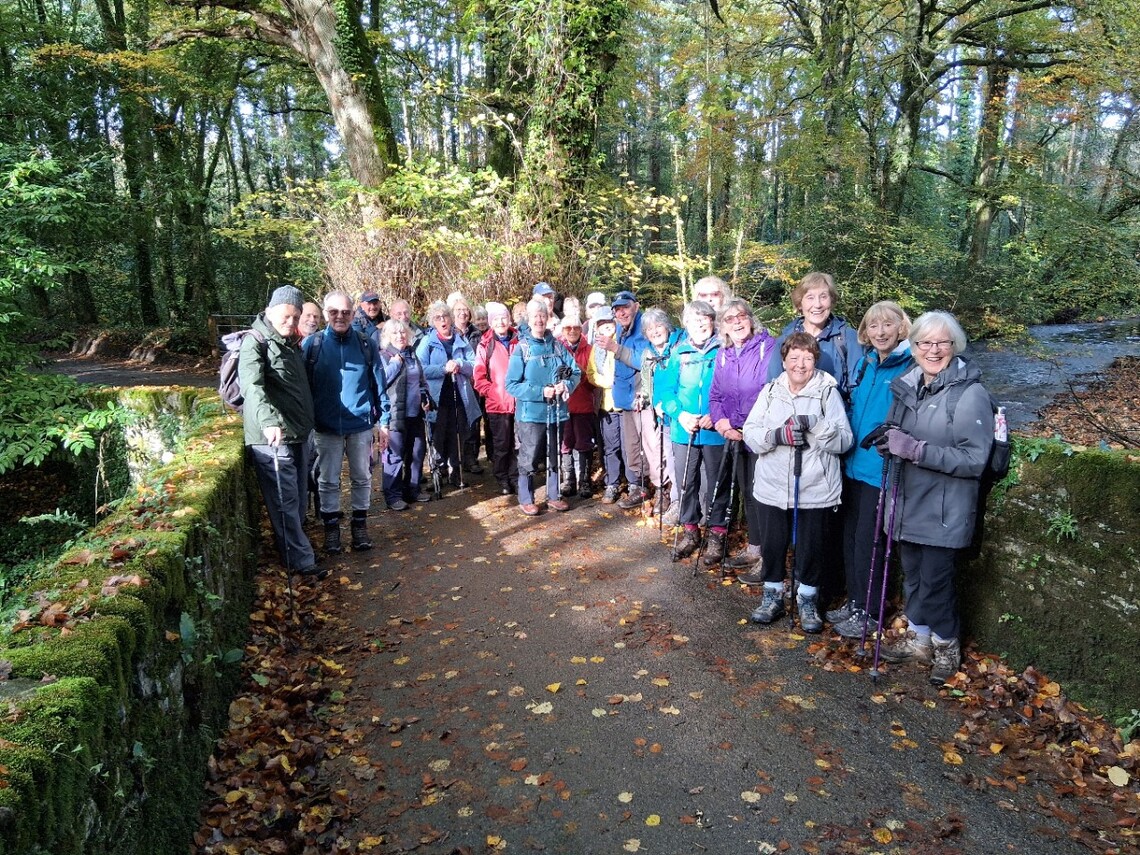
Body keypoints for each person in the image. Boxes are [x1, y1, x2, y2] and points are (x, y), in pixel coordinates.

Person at [875, 311, 994, 684]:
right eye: (925, 342)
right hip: (907, 502)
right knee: (912, 577)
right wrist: (889, 444)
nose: (933, 349)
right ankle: (920, 640)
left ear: (954, 346)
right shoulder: (907, 386)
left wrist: (915, 450)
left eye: (942, 342)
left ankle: (946, 648)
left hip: (944, 509)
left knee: (937, 583)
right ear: (913, 347)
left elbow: (975, 460)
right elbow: (898, 434)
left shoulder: (970, 394)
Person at [742, 332, 853, 632]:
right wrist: (777, 436)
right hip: (772, 485)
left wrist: (817, 425)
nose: (800, 364)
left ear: (815, 360)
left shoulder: (828, 392)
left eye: (807, 358)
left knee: (811, 547)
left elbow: (844, 440)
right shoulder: (770, 391)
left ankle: (807, 600)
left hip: (815, 486)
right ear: (784, 360)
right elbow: (750, 432)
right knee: (774, 544)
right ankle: (772, 595)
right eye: (794, 358)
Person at [829, 302, 914, 637]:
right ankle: (854, 603)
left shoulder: (909, 366)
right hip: (853, 463)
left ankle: (871, 611)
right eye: (874, 325)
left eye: (888, 325)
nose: (880, 332)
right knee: (850, 539)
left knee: (870, 541)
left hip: (880, 468)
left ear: (901, 327)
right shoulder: (866, 362)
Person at [238, 286, 322, 580]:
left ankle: (295, 551)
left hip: (298, 433)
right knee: (285, 502)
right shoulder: (255, 342)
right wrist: (269, 421)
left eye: (295, 317)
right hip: (272, 438)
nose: (290, 321)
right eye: (286, 316)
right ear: (271, 310)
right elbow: (252, 387)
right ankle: (302, 561)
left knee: (297, 499)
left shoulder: (290, 343)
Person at [302, 292, 390, 552]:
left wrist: (383, 421)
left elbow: (379, 385)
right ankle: (331, 530)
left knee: (362, 477)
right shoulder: (313, 345)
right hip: (325, 426)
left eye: (345, 312)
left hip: (360, 425)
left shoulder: (365, 344)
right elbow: (304, 388)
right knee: (328, 480)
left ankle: (359, 527)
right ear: (325, 313)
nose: (340, 316)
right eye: (333, 312)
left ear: (353, 313)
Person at [708, 298, 778, 574]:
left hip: (759, 433)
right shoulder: (723, 353)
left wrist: (749, 426)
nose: (737, 322)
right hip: (733, 433)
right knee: (748, 493)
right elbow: (715, 395)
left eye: (741, 316)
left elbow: (769, 390)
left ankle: (770, 556)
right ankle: (755, 547)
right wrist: (722, 422)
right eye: (730, 318)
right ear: (723, 326)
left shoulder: (766, 347)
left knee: (765, 495)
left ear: (751, 319)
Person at [658, 301, 727, 563]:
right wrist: (680, 414)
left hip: (715, 429)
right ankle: (690, 531)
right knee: (686, 483)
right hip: (683, 430)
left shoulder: (723, 350)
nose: (699, 324)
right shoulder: (679, 353)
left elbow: (731, 389)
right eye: (693, 320)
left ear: (713, 321)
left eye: (704, 319)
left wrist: (717, 416)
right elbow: (665, 390)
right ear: (685, 324)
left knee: (715, 485)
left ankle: (717, 534)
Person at [505, 299, 581, 515]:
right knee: (529, 456)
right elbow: (511, 384)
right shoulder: (523, 349)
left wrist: (564, 384)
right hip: (530, 414)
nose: (539, 319)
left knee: (553, 453)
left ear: (548, 318)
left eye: (542, 315)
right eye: (535, 316)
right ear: (528, 319)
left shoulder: (558, 346)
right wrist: (541, 392)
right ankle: (526, 498)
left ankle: (554, 495)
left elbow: (573, 371)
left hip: (556, 412)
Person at [595, 290, 652, 508]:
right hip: (624, 397)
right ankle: (637, 487)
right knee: (631, 445)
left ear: (635, 306)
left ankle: (648, 487)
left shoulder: (645, 328)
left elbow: (645, 362)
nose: (621, 312)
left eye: (625, 307)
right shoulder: (619, 328)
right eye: (617, 309)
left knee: (646, 446)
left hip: (642, 398)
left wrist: (616, 349)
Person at [416, 301, 482, 489]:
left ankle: (455, 472)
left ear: (451, 319)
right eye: (438, 318)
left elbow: (474, 365)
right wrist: (443, 369)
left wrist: (460, 364)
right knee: (438, 436)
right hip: (437, 399)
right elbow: (420, 369)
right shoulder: (427, 342)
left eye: (445, 316)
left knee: (457, 435)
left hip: (459, 397)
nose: (443, 320)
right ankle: (438, 471)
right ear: (432, 322)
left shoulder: (461, 340)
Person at [768, 272, 864, 398]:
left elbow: (859, 391)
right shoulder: (785, 341)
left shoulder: (848, 339)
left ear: (832, 300)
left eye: (823, 297)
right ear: (800, 303)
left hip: (836, 415)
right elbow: (773, 389)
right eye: (810, 297)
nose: (817, 304)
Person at [379, 317, 433, 509]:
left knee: (417, 452)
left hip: (415, 413)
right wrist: (395, 364)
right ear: (387, 337)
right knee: (394, 455)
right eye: (395, 333)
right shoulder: (384, 356)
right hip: (395, 414)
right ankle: (393, 496)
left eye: (403, 332)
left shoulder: (412, 354)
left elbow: (421, 380)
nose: (400, 336)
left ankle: (413, 489)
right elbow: (381, 381)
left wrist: (426, 398)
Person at [641, 308, 682, 524]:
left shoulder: (679, 346)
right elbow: (647, 381)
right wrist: (645, 397)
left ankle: (681, 504)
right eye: (650, 329)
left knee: (680, 460)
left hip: (680, 412)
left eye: (659, 326)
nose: (655, 331)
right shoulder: (648, 353)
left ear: (667, 326)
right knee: (668, 456)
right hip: (660, 414)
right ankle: (674, 499)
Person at [474, 302, 519, 495]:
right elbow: (478, 376)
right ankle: (502, 478)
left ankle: (517, 477)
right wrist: (492, 391)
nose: (501, 322)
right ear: (491, 322)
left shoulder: (521, 340)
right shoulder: (485, 344)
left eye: (504, 317)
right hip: (497, 404)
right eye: (497, 319)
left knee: (519, 445)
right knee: (501, 445)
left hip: (520, 403)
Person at [557, 309, 597, 498]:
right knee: (566, 443)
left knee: (583, 443)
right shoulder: (556, 349)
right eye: (567, 328)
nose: (571, 331)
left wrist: (581, 373)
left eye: (575, 327)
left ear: (581, 329)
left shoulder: (589, 350)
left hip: (583, 403)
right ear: (562, 330)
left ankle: (584, 481)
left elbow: (594, 380)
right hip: (562, 405)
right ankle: (568, 480)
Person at [587, 309, 623, 503]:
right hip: (606, 405)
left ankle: (635, 482)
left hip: (625, 404)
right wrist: (605, 381)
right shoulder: (596, 347)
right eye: (601, 324)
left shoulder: (622, 342)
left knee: (628, 447)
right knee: (610, 447)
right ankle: (612, 483)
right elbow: (590, 373)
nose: (606, 327)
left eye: (609, 323)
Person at [448, 291, 485, 475]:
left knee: (473, 422)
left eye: (465, 310)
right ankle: (454, 460)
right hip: (454, 383)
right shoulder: (448, 333)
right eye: (458, 310)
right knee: (454, 423)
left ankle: (471, 459)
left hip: (474, 383)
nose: (462, 313)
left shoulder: (477, 334)